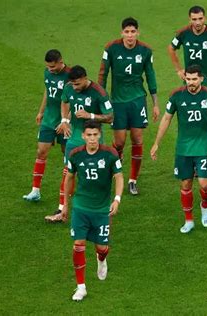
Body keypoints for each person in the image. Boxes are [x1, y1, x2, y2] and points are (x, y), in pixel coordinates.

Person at [150, 65, 207, 233]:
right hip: (184, 148)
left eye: (193, 79)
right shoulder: (176, 95)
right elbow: (166, 119)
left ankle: (205, 205)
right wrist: (156, 143)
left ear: (201, 79)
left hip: (204, 147)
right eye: (188, 79)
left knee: (205, 184)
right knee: (186, 184)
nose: (190, 82)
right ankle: (189, 220)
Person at [61, 120, 123, 301]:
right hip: (81, 207)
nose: (92, 139)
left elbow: (119, 177)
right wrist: (65, 204)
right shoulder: (75, 155)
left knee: (102, 247)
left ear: (100, 135)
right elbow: (69, 178)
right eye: (89, 135)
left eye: (95, 135)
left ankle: (101, 258)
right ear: (83, 136)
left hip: (102, 209)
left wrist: (117, 200)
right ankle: (81, 287)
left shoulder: (110, 154)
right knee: (78, 245)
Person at [98, 17, 159, 195]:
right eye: (127, 32)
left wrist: (155, 103)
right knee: (119, 142)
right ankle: (116, 169)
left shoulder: (146, 50)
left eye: (133, 32)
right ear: (122, 32)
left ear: (137, 32)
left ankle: (132, 180)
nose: (130, 35)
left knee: (137, 139)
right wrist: (101, 99)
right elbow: (103, 74)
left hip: (137, 100)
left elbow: (151, 76)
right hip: (117, 102)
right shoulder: (111, 48)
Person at [46, 65, 114, 223]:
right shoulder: (70, 87)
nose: (74, 87)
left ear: (85, 78)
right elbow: (64, 101)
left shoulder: (99, 93)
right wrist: (64, 120)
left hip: (93, 140)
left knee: (95, 175)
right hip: (74, 138)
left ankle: (100, 208)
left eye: (77, 84)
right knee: (68, 173)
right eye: (72, 84)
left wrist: (89, 115)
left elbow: (110, 117)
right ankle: (62, 209)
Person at [23, 49, 70, 209]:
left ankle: (68, 191)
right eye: (48, 66)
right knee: (41, 151)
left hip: (66, 121)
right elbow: (47, 91)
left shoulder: (70, 76)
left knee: (67, 155)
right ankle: (35, 190)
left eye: (52, 66)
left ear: (60, 61)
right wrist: (41, 111)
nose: (50, 69)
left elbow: (75, 99)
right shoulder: (48, 72)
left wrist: (66, 121)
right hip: (49, 119)